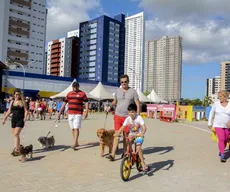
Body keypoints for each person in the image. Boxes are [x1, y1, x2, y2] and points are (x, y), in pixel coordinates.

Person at [106, 74, 140, 158]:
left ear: (128, 81)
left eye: (125, 82)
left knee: (126, 136)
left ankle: (125, 153)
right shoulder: (118, 91)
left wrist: (137, 117)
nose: (123, 83)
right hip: (117, 116)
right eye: (122, 82)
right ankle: (113, 154)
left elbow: (138, 104)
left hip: (127, 117)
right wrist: (109, 106)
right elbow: (115, 101)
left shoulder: (133, 91)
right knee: (116, 135)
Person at [112, 104, 148, 170]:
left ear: (135, 112)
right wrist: (117, 133)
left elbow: (144, 128)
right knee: (128, 143)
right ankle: (129, 156)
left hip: (138, 135)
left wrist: (142, 133)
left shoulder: (139, 118)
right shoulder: (128, 119)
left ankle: (143, 163)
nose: (131, 114)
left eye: (132, 112)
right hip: (131, 134)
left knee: (138, 147)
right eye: (129, 112)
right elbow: (122, 127)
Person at [58, 82, 89, 150]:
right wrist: (60, 111)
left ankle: (74, 144)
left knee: (76, 128)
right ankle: (76, 142)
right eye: (74, 87)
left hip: (78, 113)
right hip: (70, 113)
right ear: (72, 87)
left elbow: (86, 102)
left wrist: (86, 111)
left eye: (76, 87)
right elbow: (64, 102)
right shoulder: (69, 94)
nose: (75, 88)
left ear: (78, 86)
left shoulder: (82, 93)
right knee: (72, 128)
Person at [2, 89, 28, 155]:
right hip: (13, 120)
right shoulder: (12, 101)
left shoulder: (23, 102)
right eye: (16, 94)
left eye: (18, 94)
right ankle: (19, 147)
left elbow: (26, 110)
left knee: (16, 134)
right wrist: (4, 118)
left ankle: (16, 150)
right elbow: (9, 111)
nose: (17, 95)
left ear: (20, 95)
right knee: (16, 135)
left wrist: (25, 117)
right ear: (14, 95)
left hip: (20, 120)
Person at [208, 90, 230, 162]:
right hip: (218, 125)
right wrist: (209, 123)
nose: (219, 98)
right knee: (221, 139)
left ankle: (221, 150)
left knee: (226, 139)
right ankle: (223, 155)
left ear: (225, 97)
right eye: (219, 96)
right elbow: (211, 113)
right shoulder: (216, 104)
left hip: (227, 126)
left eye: (220, 96)